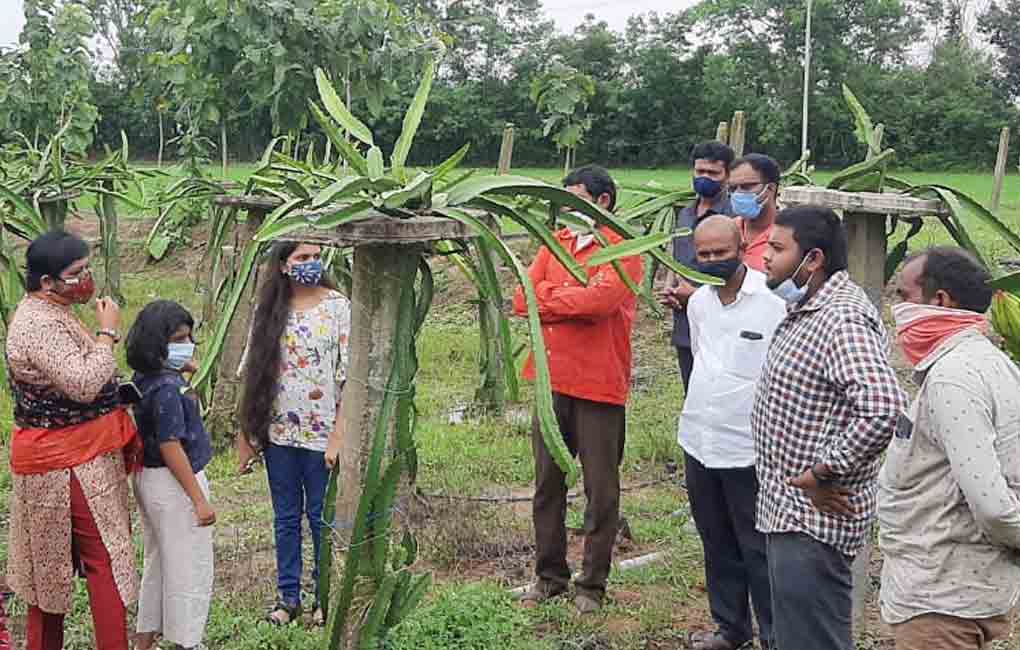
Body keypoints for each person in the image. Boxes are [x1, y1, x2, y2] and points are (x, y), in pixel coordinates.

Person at [752, 206, 907, 650]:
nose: (765, 257)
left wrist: (825, 471)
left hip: (812, 519)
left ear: (813, 258)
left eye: (778, 249)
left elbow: (883, 407)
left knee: (813, 639)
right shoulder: (810, 306)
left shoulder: (840, 317)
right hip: (789, 510)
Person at [513, 164, 644, 614]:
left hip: (600, 385)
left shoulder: (624, 249)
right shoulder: (557, 245)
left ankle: (592, 585)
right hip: (552, 381)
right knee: (547, 484)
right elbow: (520, 297)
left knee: (600, 489)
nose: (564, 210)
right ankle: (549, 577)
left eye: (573, 199)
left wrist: (549, 300)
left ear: (601, 201)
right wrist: (565, 300)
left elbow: (601, 302)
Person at [5, 230, 140, 650]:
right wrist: (107, 334)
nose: (87, 280)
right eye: (77, 273)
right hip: (67, 460)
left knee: (47, 569)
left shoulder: (49, 310)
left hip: (67, 453)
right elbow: (82, 383)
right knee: (103, 560)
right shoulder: (38, 324)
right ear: (47, 282)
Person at [878, 247, 1019, 650]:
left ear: (940, 301)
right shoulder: (995, 363)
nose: (897, 310)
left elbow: (993, 505)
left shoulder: (953, 380)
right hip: (962, 589)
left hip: (940, 599)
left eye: (904, 296)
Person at [678, 216, 785, 650]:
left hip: (749, 448)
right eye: (704, 255)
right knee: (716, 542)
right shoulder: (699, 303)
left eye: (720, 252)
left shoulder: (773, 301)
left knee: (758, 548)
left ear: (742, 246)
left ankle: (775, 636)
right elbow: (702, 357)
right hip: (700, 440)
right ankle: (730, 630)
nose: (712, 261)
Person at [236, 242, 351, 626]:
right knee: (285, 518)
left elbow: (349, 377)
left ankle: (323, 598)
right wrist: (248, 434)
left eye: (316, 256)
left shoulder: (337, 307)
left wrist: (339, 435)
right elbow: (254, 372)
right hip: (278, 434)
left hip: (322, 437)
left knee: (321, 517)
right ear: (284, 266)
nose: (311, 264)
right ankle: (288, 598)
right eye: (302, 258)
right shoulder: (268, 310)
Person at [127, 300, 215, 650]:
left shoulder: (147, 378)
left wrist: (179, 372)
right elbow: (171, 445)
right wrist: (199, 499)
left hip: (150, 479)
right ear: (158, 344)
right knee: (188, 567)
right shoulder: (167, 387)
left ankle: (145, 640)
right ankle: (188, 641)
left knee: (160, 563)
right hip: (176, 481)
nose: (188, 345)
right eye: (180, 339)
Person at [659, 141, 735, 390]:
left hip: (722, 323)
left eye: (713, 173)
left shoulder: (733, 215)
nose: (705, 178)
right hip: (685, 323)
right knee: (691, 392)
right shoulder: (685, 213)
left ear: (727, 176)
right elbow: (676, 257)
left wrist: (696, 295)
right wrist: (670, 289)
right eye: (700, 171)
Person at [726, 153, 780, 271]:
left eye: (746, 187)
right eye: (733, 188)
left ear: (770, 189)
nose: (738, 194)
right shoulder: (727, 229)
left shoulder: (788, 234)